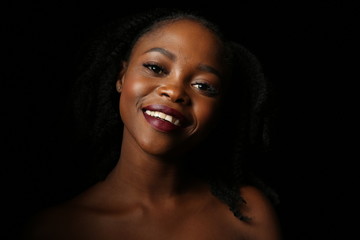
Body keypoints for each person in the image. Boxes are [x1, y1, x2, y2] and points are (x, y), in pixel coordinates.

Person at [23, 7, 282, 240]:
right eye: (156, 68)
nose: (174, 91)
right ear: (121, 76)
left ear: (219, 110)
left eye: (203, 85)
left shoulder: (248, 214)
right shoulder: (55, 229)